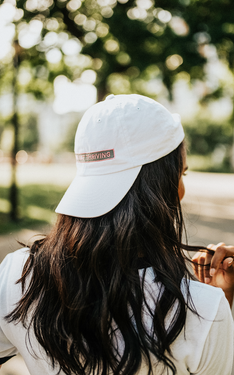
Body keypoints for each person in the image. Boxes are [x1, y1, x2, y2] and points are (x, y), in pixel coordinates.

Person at [0, 94, 233, 375]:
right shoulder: (201, 309)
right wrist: (219, 308)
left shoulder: (18, 274)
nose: (182, 190)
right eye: (181, 174)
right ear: (162, 185)